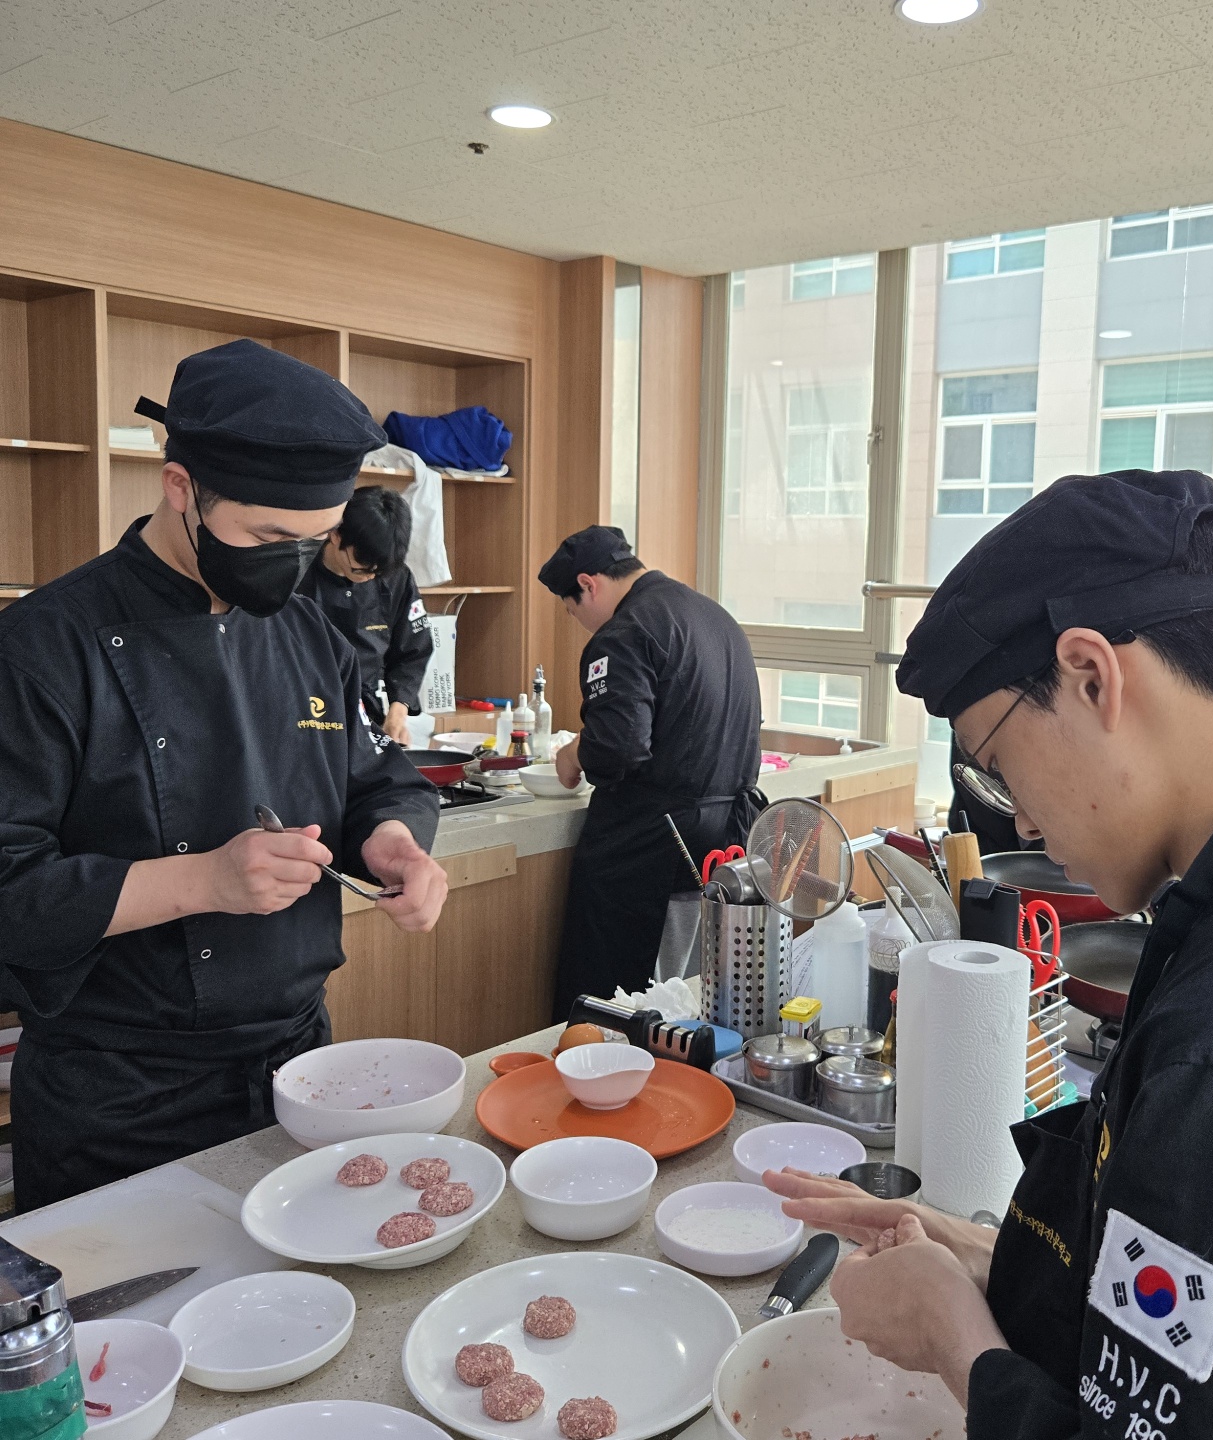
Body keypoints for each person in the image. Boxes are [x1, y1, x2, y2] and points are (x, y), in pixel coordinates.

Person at [767, 470, 1213, 1438]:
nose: (1023, 818)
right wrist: (999, 1263)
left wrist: (954, 1338)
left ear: (1091, 675)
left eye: (999, 764)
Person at [0, 339, 448, 1211]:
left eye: (313, 541)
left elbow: (373, 777)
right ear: (181, 488)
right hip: (120, 1096)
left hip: (299, 1066)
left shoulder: (311, 636)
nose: (291, 562)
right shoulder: (46, 647)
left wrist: (394, 843)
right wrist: (204, 880)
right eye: (268, 537)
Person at [537, 525, 761, 1016]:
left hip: (651, 854)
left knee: (627, 1006)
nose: (579, 623)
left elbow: (617, 748)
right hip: (725, 843)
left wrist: (574, 753)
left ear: (589, 584)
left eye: (572, 609)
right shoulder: (714, 616)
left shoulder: (624, 633)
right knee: (700, 998)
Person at [297, 485, 433, 746]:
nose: (370, 577)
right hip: (304, 709)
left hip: (368, 709)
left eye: (379, 571)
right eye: (362, 568)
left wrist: (398, 713)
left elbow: (413, 652)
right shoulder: (296, 575)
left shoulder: (397, 579)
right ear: (335, 534)